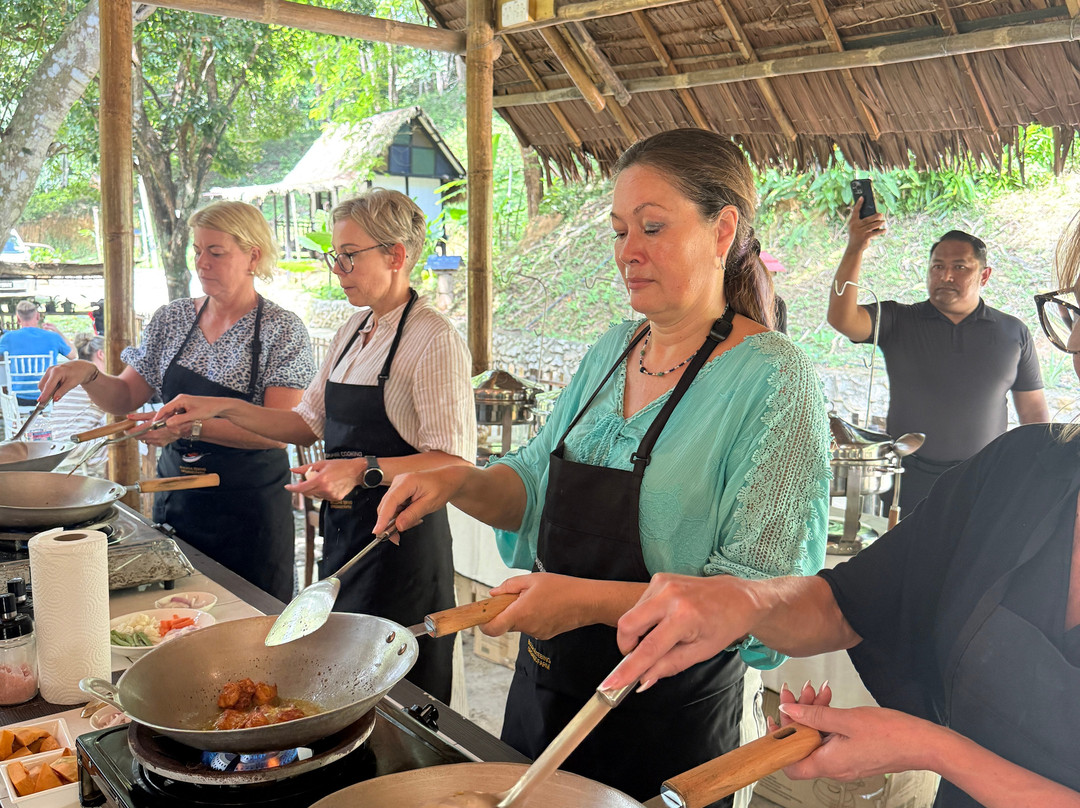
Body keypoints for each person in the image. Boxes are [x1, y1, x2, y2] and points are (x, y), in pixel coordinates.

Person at [371, 129, 831, 805]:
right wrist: (459, 481)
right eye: (619, 231)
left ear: (722, 230)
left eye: (652, 227)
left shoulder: (773, 379)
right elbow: (530, 486)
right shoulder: (612, 350)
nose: (627, 252)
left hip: (668, 727)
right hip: (544, 701)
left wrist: (583, 602)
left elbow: (757, 598)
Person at [603, 213, 1080, 808]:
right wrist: (742, 601)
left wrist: (931, 747)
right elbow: (847, 602)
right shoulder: (1020, 472)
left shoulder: (1008, 334)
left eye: (654, 227)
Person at [155, 189, 476, 703]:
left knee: (397, 693)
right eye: (335, 255)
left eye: (349, 255)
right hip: (347, 534)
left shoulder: (433, 338)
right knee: (342, 681)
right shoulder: (353, 329)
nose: (338, 269)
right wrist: (216, 407)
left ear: (395, 255)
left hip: (404, 548)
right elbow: (305, 423)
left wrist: (363, 469)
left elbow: (454, 461)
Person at [39, 200, 316, 601]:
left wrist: (191, 428)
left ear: (253, 256)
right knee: (176, 614)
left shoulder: (282, 329)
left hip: (250, 510)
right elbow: (125, 397)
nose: (201, 263)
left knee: (254, 620)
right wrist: (89, 374)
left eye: (216, 252)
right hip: (178, 498)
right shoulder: (171, 319)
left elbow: (277, 432)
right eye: (197, 251)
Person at [827, 209, 1049, 513]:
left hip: (983, 479)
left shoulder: (1012, 332)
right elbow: (842, 318)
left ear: (984, 275)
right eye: (938, 266)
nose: (946, 276)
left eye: (960, 267)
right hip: (908, 479)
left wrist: (1037, 475)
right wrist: (855, 247)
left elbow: (1034, 412)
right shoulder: (898, 320)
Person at [48, 333, 109, 476]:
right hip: (75, 445)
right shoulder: (95, 380)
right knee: (124, 429)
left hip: (59, 441)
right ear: (101, 354)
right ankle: (113, 477)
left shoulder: (74, 376)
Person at [0, 301, 74, 404]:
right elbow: (73, 355)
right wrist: (58, 332)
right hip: (48, 398)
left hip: (18, 398)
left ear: (18, 318)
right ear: (38, 316)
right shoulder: (53, 337)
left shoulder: (7, 338)